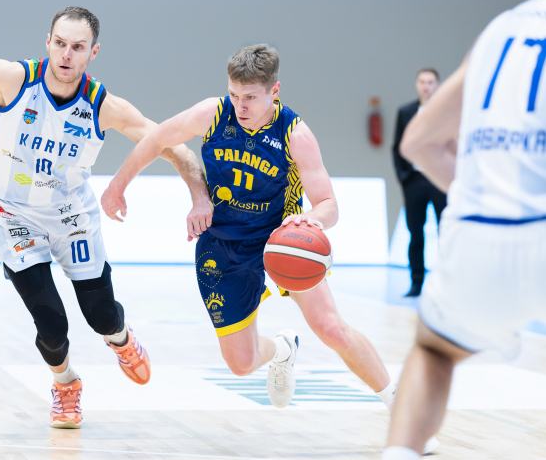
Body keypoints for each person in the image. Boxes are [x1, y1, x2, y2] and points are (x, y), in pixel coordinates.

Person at [101, 44, 437, 453]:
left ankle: (405, 415)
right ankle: (282, 349)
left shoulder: (295, 134)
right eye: (234, 94)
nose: (240, 106)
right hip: (223, 244)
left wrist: (309, 220)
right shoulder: (213, 113)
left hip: (280, 241)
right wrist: (118, 185)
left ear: (274, 91)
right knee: (241, 364)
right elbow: (157, 138)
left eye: (250, 97)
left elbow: (329, 204)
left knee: (331, 328)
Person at [0, 7, 210, 429]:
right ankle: (66, 383)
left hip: (71, 215)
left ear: (93, 52)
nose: (66, 54)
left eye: (77, 47)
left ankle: (121, 338)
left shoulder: (104, 105)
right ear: (48, 42)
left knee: (102, 316)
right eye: (60, 43)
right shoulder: (13, 79)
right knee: (52, 326)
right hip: (10, 213)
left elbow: (174, 146)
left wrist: (199, 197)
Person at [383, 0, 546, 459]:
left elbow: (417, 144)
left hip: (477, 233)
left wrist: (489, 194)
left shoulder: (500, 30)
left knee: (434, 350)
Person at [392, 68, 447, 297]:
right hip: (414, 180)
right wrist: (403, 178)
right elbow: (397, 146)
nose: (426, 86)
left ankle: (445, 283)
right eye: (422, 82)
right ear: (417, 84)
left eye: (430, 82)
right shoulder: (406, 112)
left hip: (439, 179)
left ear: (437, 84)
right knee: (415, 233)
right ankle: (416, 282)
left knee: (446, 231)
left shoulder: (446, 111)